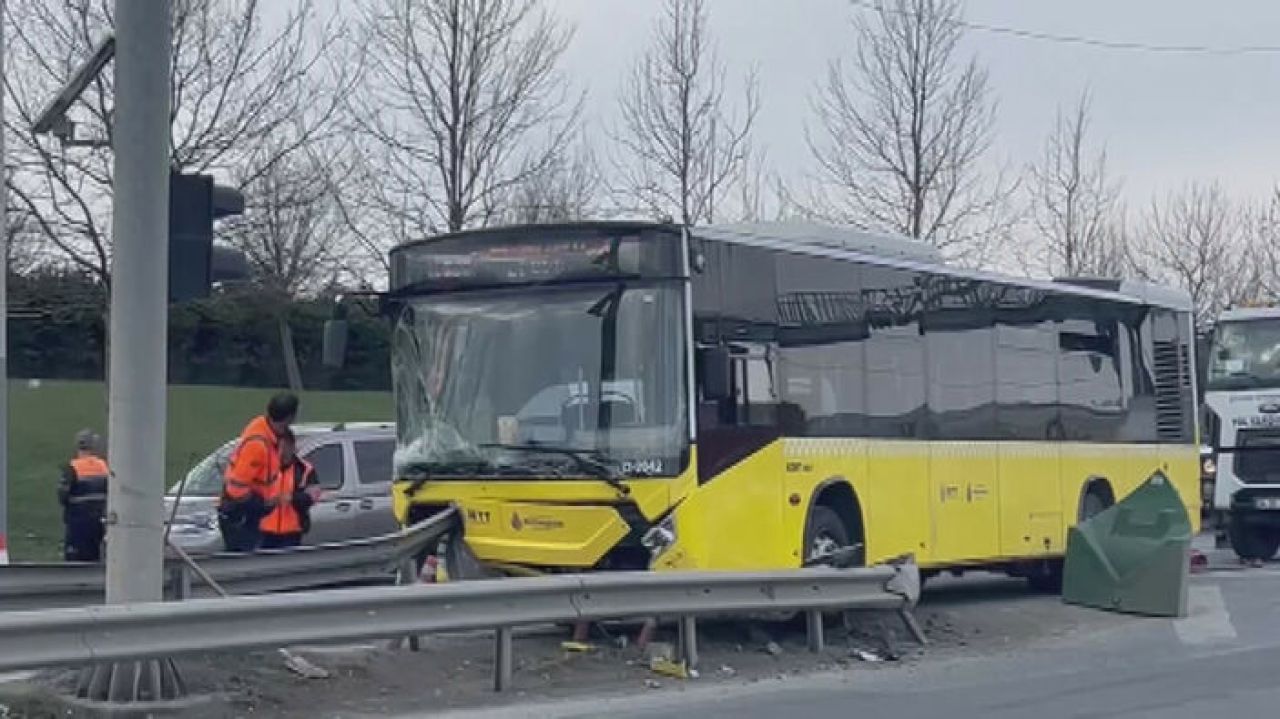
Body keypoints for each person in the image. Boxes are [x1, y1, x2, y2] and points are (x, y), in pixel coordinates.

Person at [219, 392, 299, 552]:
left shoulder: (266, 432)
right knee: (246, 561)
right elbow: (236, 488)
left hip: (248, 514)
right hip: (241, 516)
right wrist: (260, 504)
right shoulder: (258, 444)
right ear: (290, 418)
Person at [259, 430, 317, 550]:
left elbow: (312, 497)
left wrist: (292, 498)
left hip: (291, 533)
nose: (281, 452)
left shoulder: (305, 469)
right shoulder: (265, 467)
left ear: (292, 447)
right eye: (278, 448)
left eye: (285, 448)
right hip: (264, 532)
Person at [58, 429, 109, 562]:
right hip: (99, 521)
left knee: (75, 560)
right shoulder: (103, 466)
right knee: (95, 558)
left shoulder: (72, 467)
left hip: (77, 522)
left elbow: (63, 496)